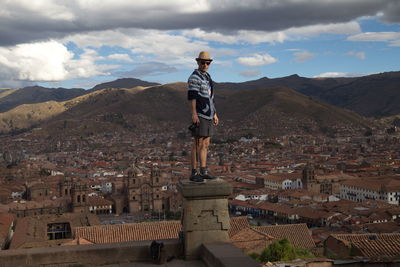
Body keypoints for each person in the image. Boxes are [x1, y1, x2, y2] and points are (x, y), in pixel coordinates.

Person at [187, 51, 219, 182]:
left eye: (208, 63)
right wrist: (194, 113)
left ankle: (204, 170)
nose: (205, 64)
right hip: (200, 114)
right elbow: (192, 97)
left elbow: (210, 98)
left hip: (209, 114)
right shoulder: (194, 77)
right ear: (198, 62)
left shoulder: (207, 77)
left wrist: (215, 113)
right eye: (203, 62)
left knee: (206, 143)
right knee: (197, 143)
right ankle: (194, 172)